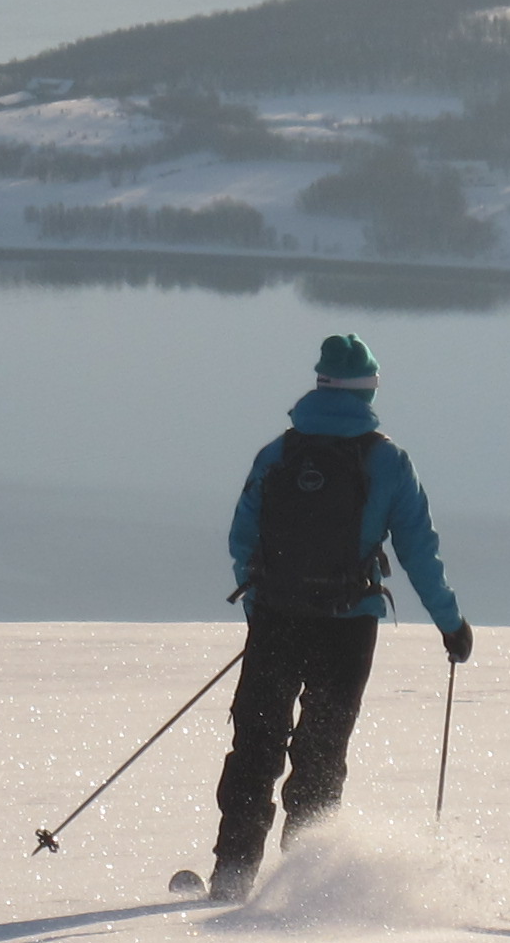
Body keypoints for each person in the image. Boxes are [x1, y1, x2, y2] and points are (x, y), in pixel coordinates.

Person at [199, 332, 469, 903]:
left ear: (319, 382)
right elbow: (420, 550)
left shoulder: (278, 453)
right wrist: (450, 624)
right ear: (369, 389)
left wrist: (260, 610)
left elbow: (241, 538)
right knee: (321, 752)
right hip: (348, 626)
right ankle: (307, 886)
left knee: (257, 745)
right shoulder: (388, 460)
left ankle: (231, 875)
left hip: (277, 616)